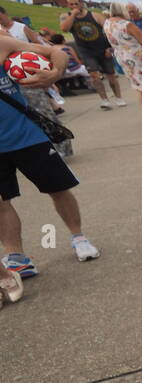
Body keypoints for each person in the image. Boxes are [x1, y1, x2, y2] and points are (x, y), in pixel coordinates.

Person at [0, 30, 99, 279]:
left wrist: (54, 74)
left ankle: (78, 237)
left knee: (58, 189)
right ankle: (18, 258)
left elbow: (55, 51)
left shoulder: (2, 43)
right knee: (1, 203)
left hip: (26, 136)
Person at [58, 0, 128, 109]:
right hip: (86, 51)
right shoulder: (66, 16)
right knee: (94, 76)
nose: (74, 6)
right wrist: (73, 15)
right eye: (71, 5)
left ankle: (118, 97)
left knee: (111, 75)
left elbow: (109, 29)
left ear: (81, 4)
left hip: (103, 48)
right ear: (68, 6)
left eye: (76, 4)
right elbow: (64, 29)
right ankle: (104, 100)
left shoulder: (94, 15)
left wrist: (110, 48)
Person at [104, 3, 142, 121]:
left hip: (123, 57)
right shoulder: (127, 25)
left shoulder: (107, 24)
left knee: (138, 87)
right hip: (138, 58)